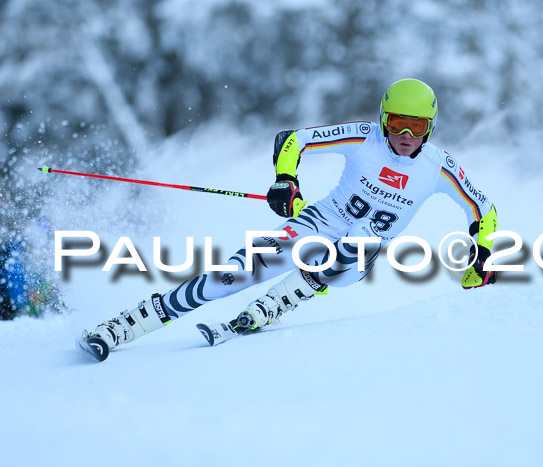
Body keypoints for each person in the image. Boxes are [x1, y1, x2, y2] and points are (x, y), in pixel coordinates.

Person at [81, 78, 498, 353]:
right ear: (384, 118)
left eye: (418, 126)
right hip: (318, 222)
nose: (406, 136)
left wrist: (481, 252)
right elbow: (293, 140)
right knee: (233, 274)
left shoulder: (440, 168)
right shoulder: (363, 138)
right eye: (398, 123)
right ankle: (127, 325)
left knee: (351, 249)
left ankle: (282, 299)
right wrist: (286, 180)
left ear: (431, 127)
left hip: (359, 254)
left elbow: (484, 209)